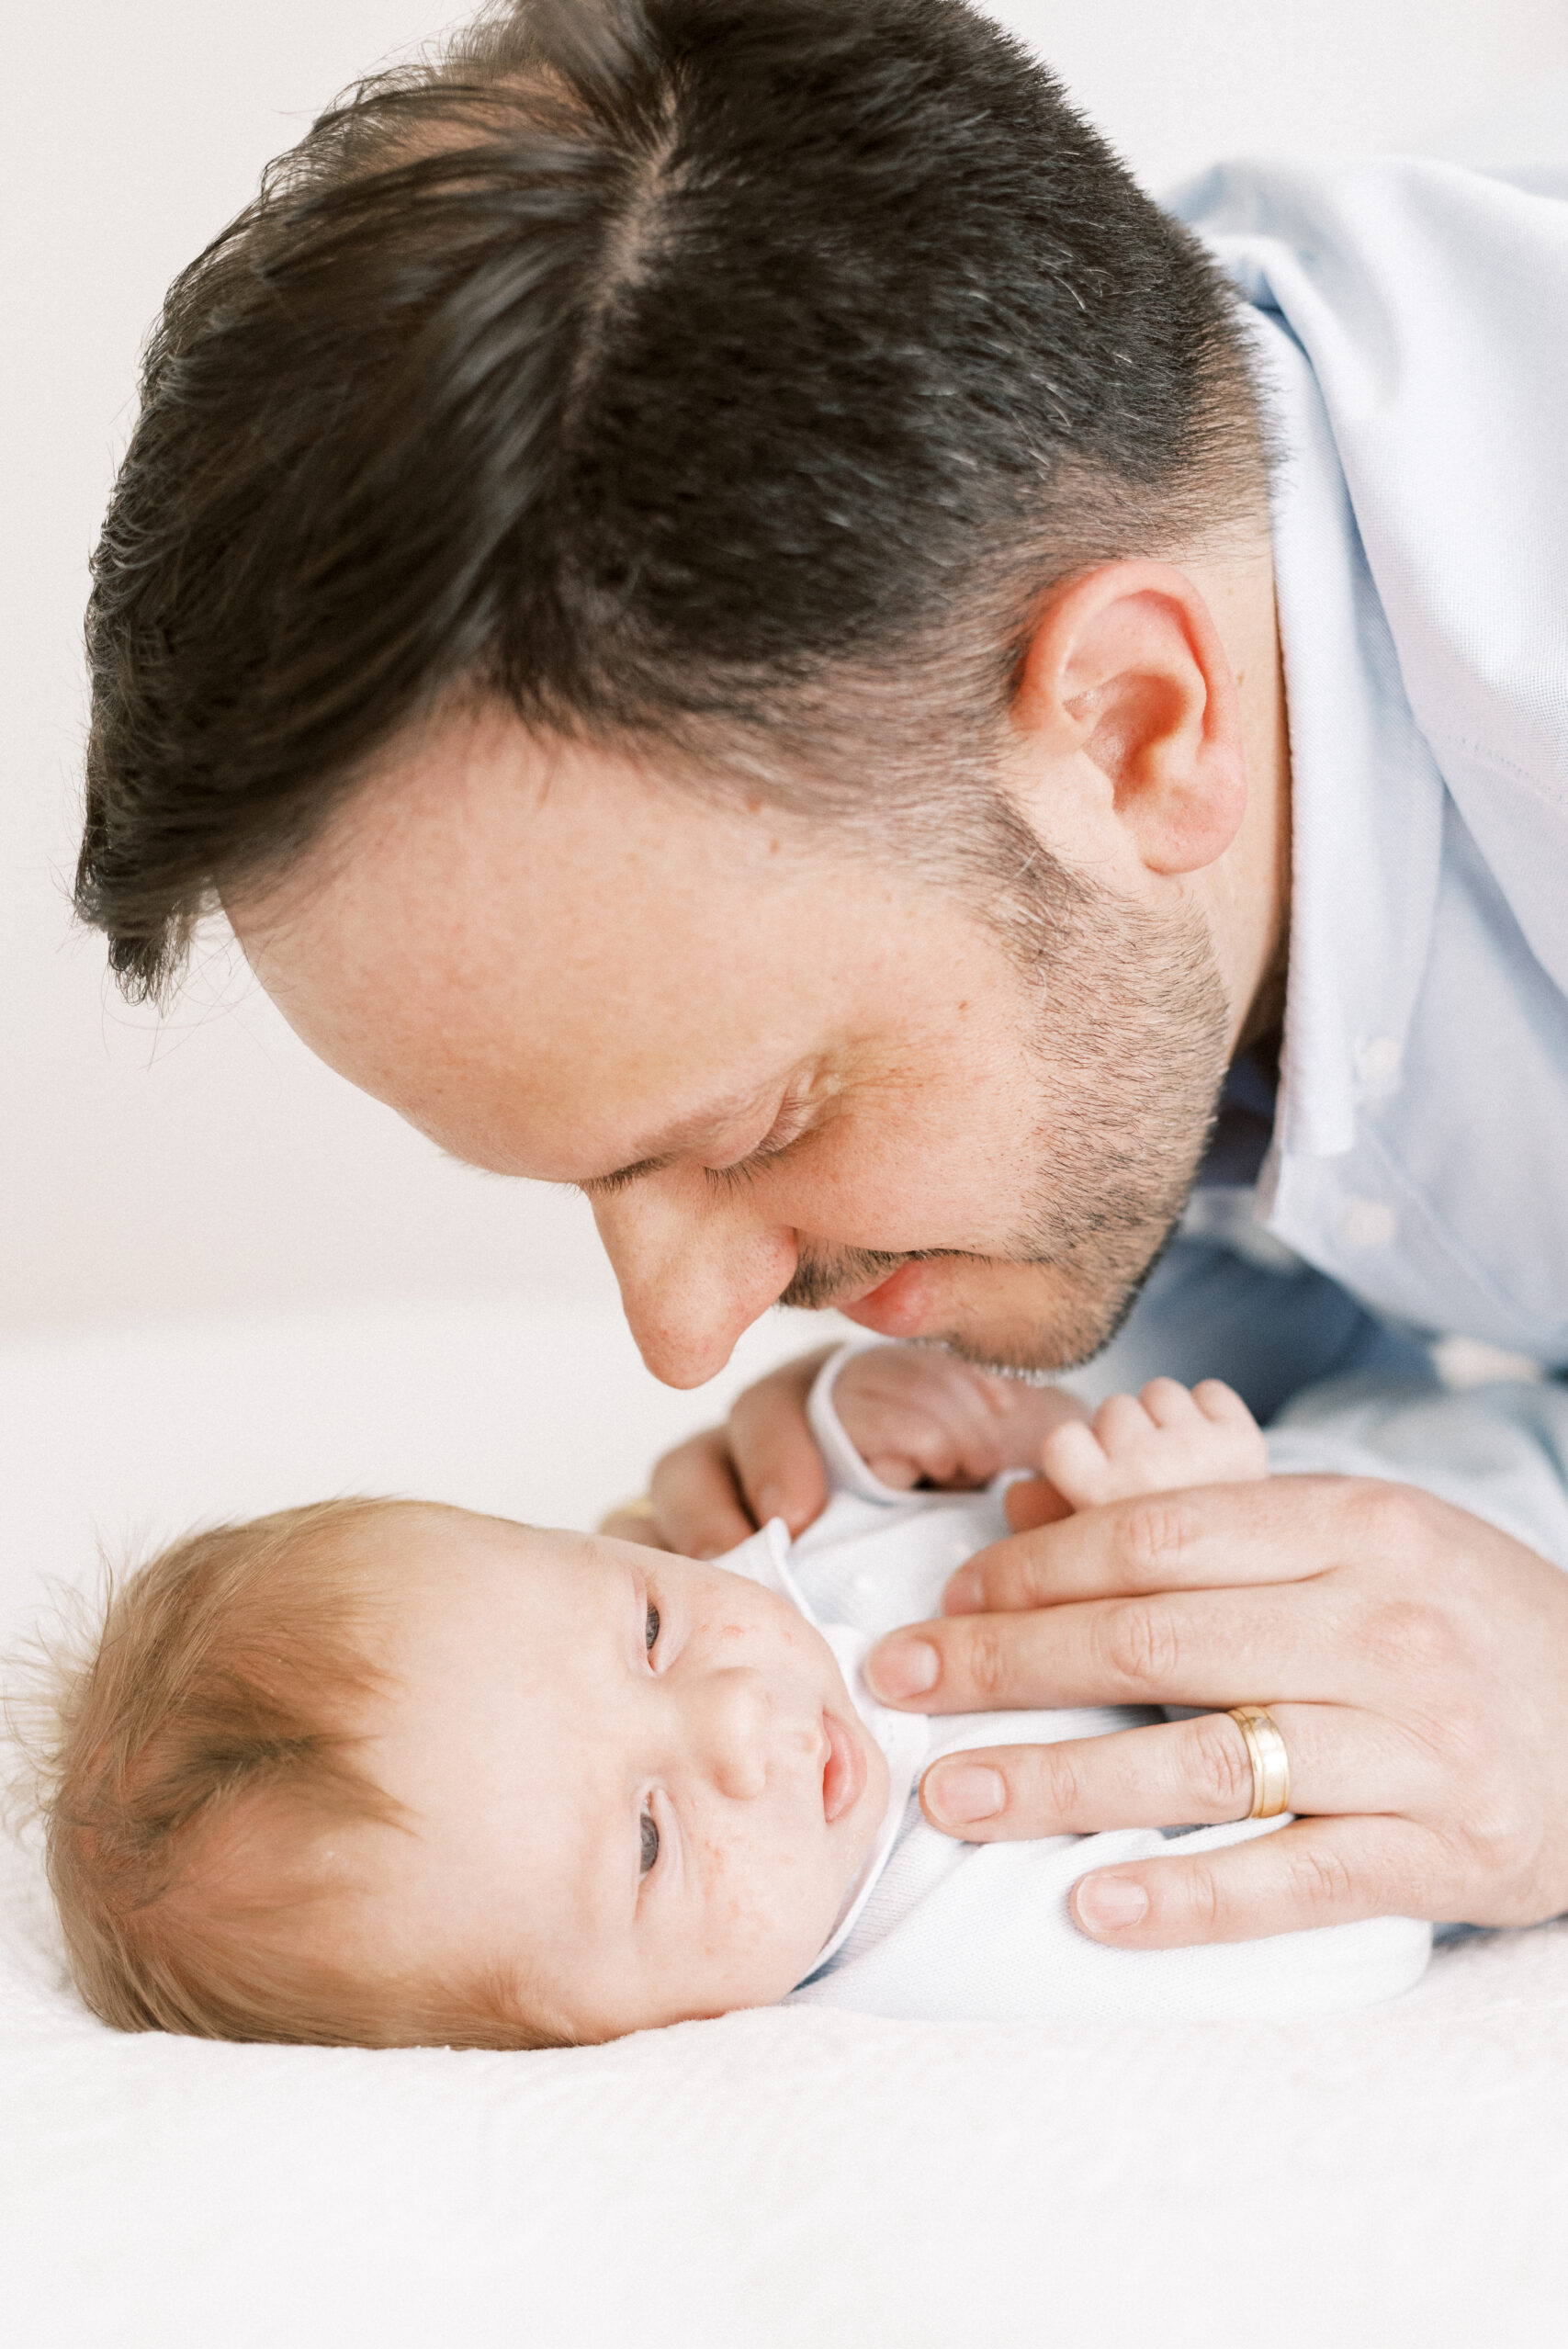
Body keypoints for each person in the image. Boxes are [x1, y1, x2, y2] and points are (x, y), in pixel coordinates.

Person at [70, 0, 1568, 1957]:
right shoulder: (1067, 510)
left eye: (762, 1121)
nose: (688, 1341)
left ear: (1133, 725)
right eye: (602, 1184)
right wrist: (1077, 1368)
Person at [36, 1350, 1438, 2049]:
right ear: (600, 2041)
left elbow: (856, 1498)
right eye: (647, 1840)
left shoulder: (767, 1609)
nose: (733, 1721)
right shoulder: (958, 1950)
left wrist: (864, 1412)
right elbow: (1360, 1924)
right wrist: (1212, 1545)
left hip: (1403, 1393)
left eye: (644, 1626)